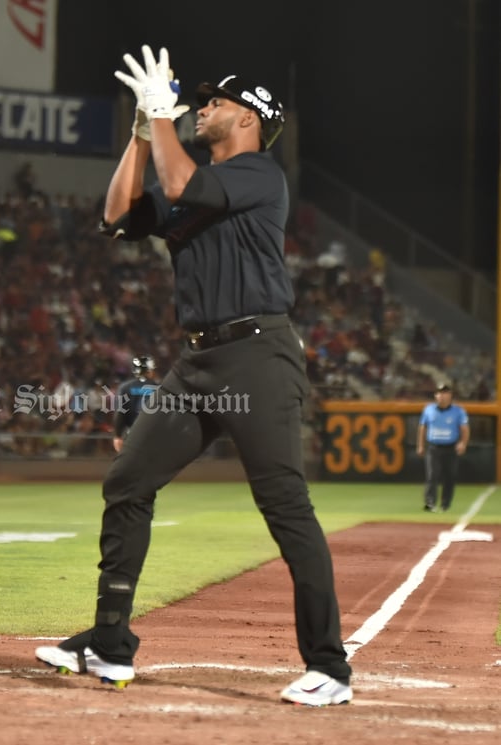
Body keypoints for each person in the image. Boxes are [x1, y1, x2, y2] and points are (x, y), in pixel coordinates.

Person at [35, 45, 353, 706]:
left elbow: (180, 185)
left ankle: (329, 665)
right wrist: (138, 131)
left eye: (216, 101)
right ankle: (110, 642)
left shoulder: (261, 173)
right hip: (200, 359)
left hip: (259, 353)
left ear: (249, 119)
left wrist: (160, 120)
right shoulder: (194, 178)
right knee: (128, 480)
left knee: (285, 506)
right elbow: (117, 214)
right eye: (198, 99)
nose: (201, 107)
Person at [416, 382, 469, 512]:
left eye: (445, 393)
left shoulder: (458, 411)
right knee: (432, 475)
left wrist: (463, 443)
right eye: (439, 393)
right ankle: (430, 503)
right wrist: (421, 445)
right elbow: (422, 428)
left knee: (449, 476)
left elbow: (465, 429)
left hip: (450, 448)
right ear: (435, 395)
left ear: (450, 395)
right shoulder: (428, 409)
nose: (442, 396)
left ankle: (445, 503)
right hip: (434, 447)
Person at [112, 355, 159, 453]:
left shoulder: (125, 387)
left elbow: (120, 413)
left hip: (132, 434)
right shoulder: (159, 388)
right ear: (149, 370)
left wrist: (117, 435)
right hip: (154, 435)